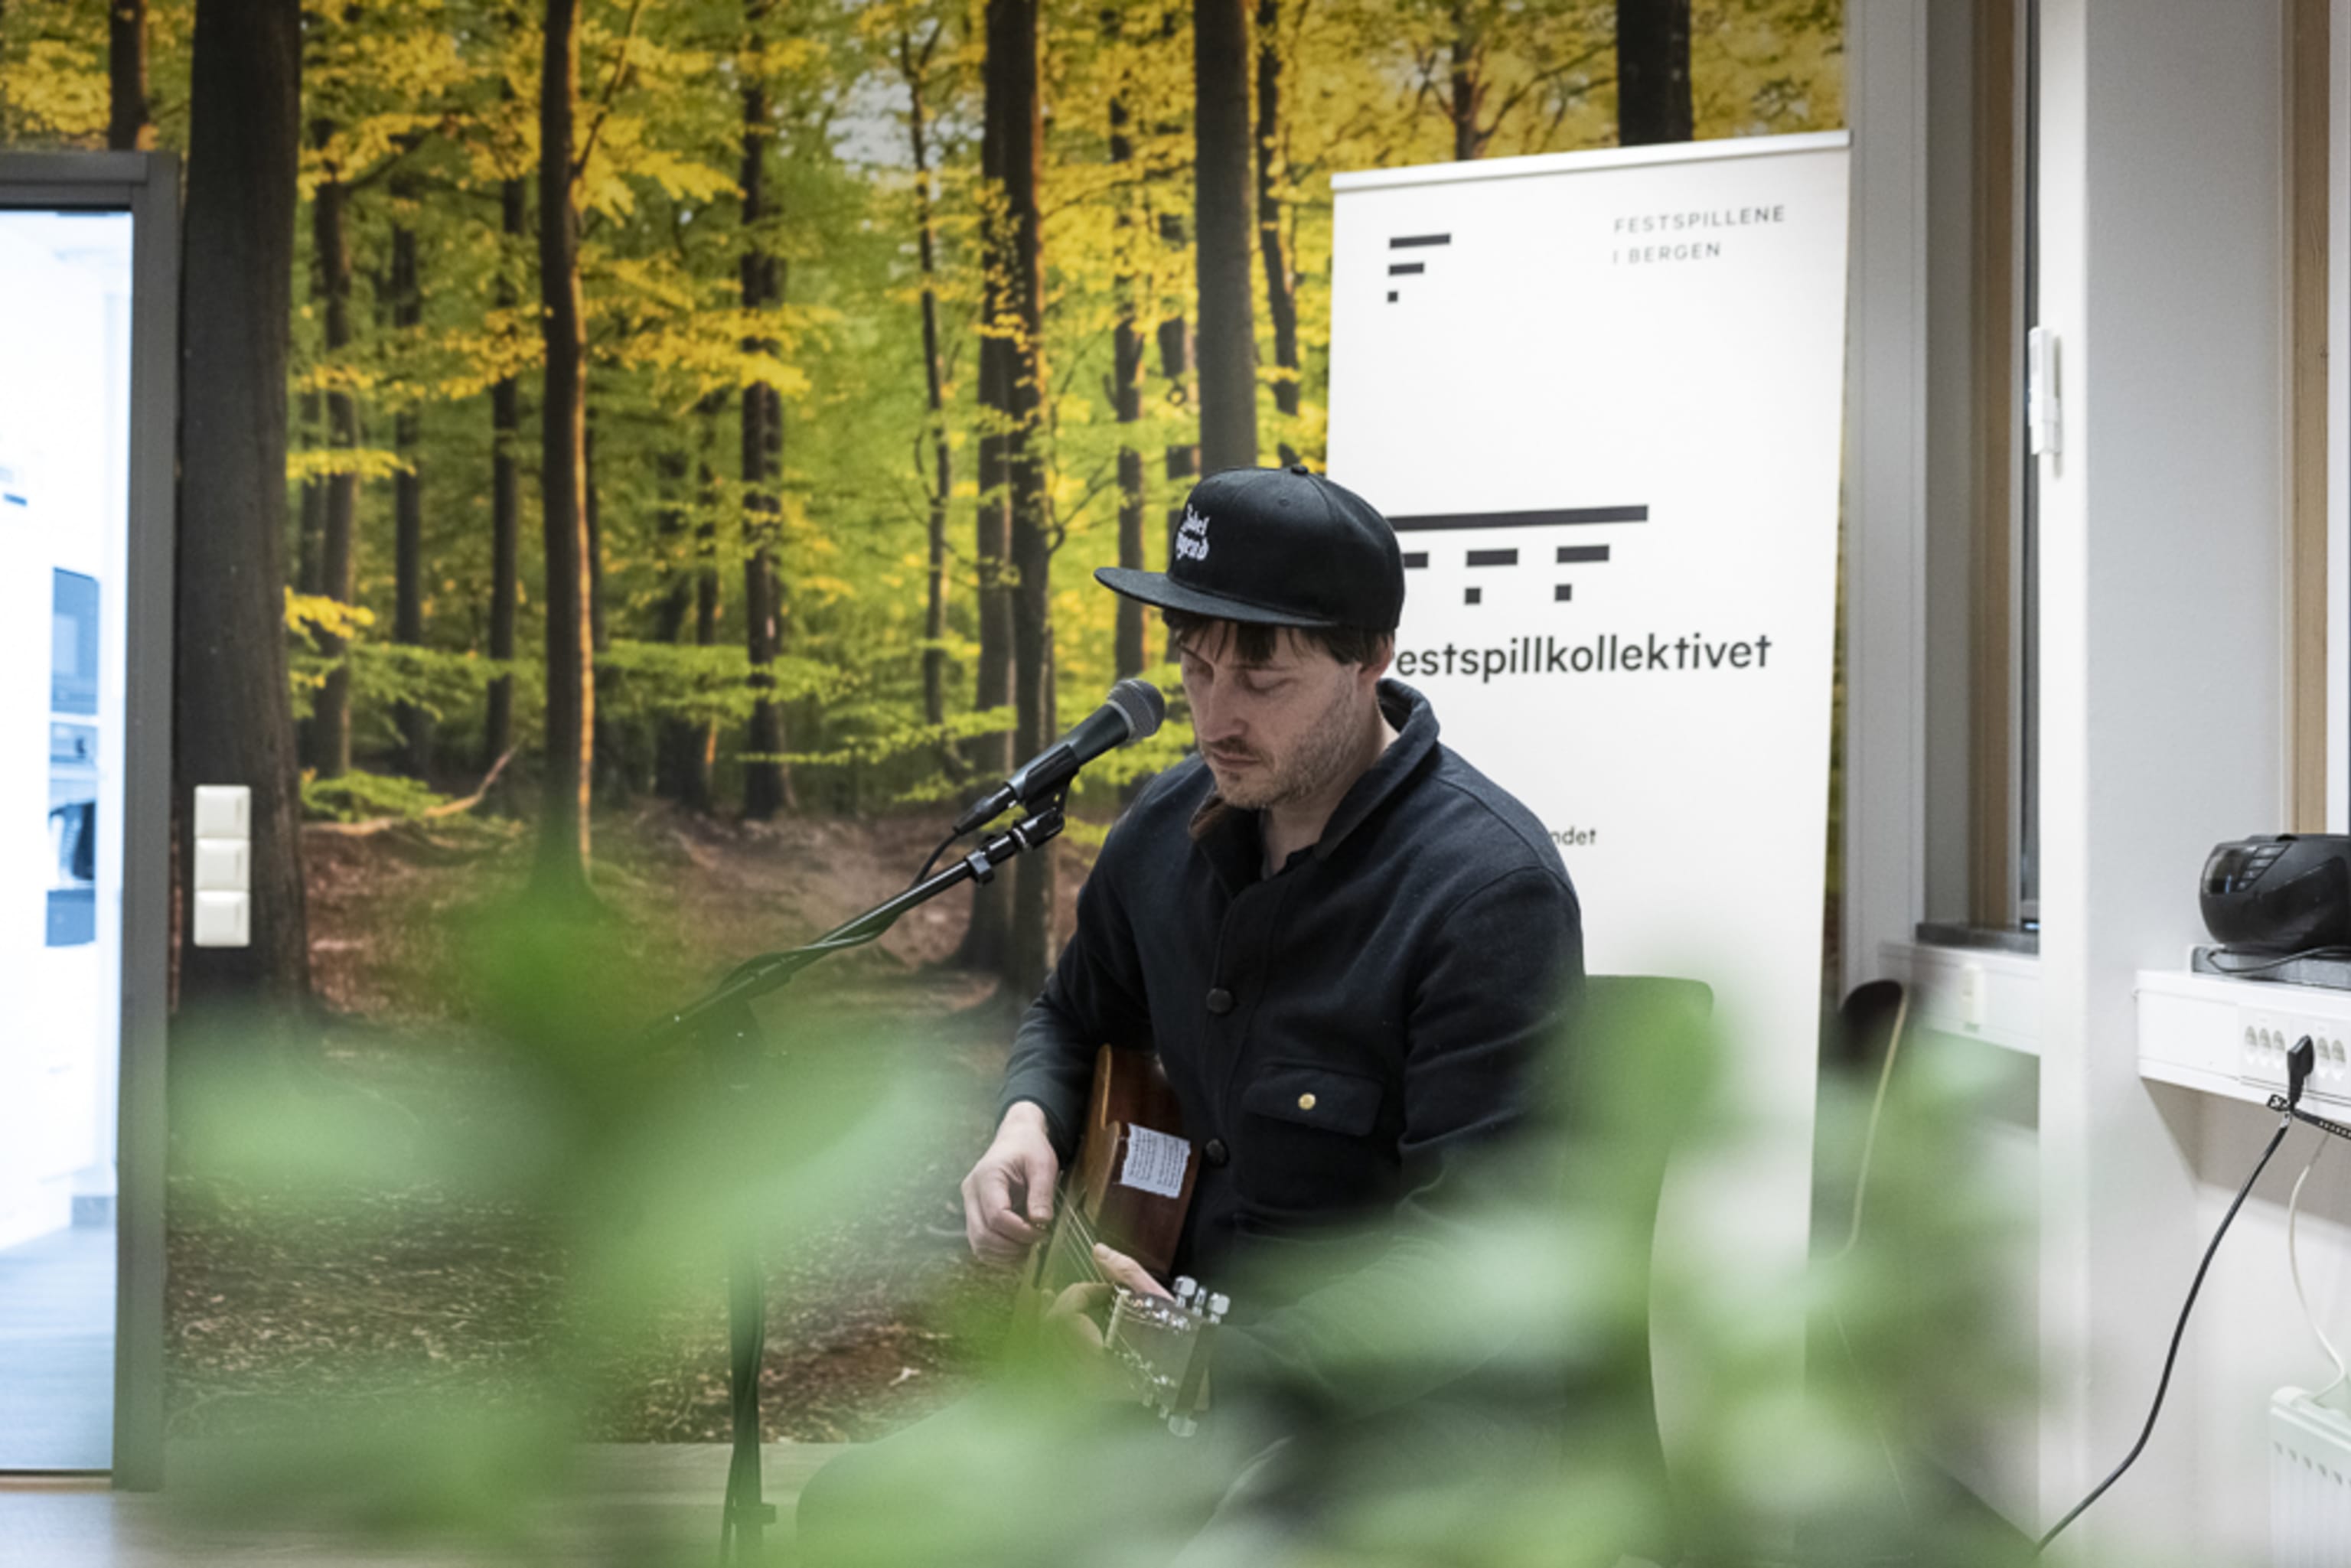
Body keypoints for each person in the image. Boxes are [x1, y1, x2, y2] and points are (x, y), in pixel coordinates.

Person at [797, 464, 1586, 1563]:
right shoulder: (1164, 829)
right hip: (1150, 1393)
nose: (1217, 713)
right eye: (1197, 662)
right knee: (860, 1511)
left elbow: (1479, 1254)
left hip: (1384, 1433)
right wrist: (1024, 1116)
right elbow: (1072, 1018)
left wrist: (1201, 1362)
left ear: (1371, 660)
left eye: (1263, 675)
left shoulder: (1489, 890)